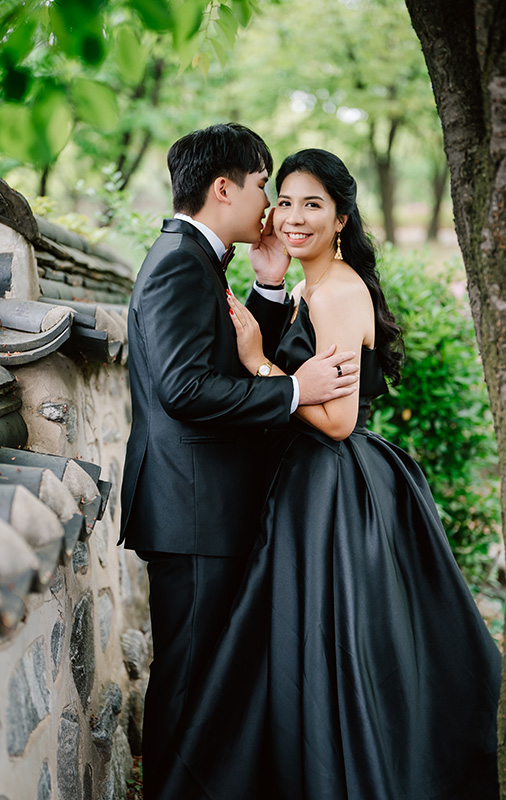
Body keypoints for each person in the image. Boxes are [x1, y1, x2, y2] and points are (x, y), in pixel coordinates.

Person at [170, 148, 501, 798]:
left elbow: (338, 419)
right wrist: (270, 296)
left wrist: (265, 364)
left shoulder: (340, 293)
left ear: (342, 217)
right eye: (284, 200)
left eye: (312, 204)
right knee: (289, 647)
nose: (292, 216)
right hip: (303, 487)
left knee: (327, 646)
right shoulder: (307, 287)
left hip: (332, 490)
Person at [118, 123, 362, 798]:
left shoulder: (197, 260)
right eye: (263, 188)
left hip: (203, 506)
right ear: (223, 188)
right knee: (191, 678)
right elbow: (184, 388)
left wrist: (267, 291)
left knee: (209, 678)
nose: (272, 209)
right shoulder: (176, 262)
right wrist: (293, 389)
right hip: (193, 510)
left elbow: (217, 357)